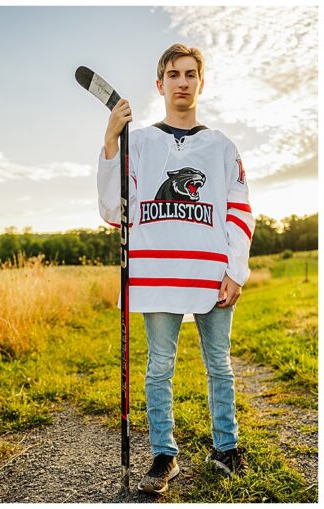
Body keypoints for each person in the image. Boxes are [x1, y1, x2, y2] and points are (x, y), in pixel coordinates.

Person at [97, 44, 254, 494]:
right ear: (160, 83)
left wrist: (236, 269)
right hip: (158, 275)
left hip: (210, 274)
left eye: (190, 74)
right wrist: (111, 141)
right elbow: (114, 209)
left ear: (200, 82)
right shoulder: (139, 141)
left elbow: (239, 210)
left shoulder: (221, 146)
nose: (182, 82)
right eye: (173, 74)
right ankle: (165, 455)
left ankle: (226, 447)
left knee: (219, 365)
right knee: (159, 368)